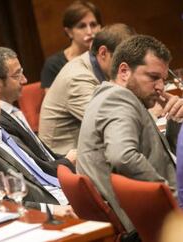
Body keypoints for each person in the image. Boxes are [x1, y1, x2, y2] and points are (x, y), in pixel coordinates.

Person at [77, 35, 181, 232]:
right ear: (124, 71)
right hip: (148, 222)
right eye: (153, 77)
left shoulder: (112, 95)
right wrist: (169, 194)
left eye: (163, 79)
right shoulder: (118, 98)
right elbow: (122, 156)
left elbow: (161, 152)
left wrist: (175, 119)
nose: (161, 86)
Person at [0, 63, 76, 217]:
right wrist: (51, 210)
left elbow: (39, 171)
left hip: (67, 191)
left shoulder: (0, 129)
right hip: (54, 211)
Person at [38, 23, 135, 155]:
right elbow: (110, 122)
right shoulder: (77, 78)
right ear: (103, 53)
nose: (127, 67)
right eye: (122, 60)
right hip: (64, 159)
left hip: (90, 149)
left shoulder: (97, 66)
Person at [0, 46, 76, 173]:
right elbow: (33, 169)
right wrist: (67, 162)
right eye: (17, 75)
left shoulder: (12, 111)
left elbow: (45, 156)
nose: (24, 80)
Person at [40, 0, 101, 90]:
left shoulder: (105, 56)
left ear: (100, 27)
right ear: (69, 32)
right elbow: (52, 102)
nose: (89, 32)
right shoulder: (53, 64)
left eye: (93, 25)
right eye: (82, 26)